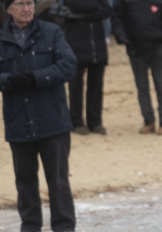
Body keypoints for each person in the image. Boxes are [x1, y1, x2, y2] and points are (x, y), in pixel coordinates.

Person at [0, 0, 77, 232]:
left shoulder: (52, 32)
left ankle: (64, 230)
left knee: (58, 180)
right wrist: (8, 81)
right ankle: (30, 229)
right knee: (24, 180)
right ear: (9, 9)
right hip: (19, 121)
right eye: (20, 4)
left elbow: (68, 65)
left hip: (52, 119)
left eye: (30, 3)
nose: (26, 9)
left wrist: (36, 78)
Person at [111, 0, 162, 135]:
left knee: (160, 83)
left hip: (157, 46)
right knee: (142, 86)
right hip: (135, 47)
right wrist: (122, 37)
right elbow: (117, 17)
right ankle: (148, 120)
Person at [61, 0, 111, 135]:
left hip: (97, 47)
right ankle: (76, 122)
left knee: (96, 87)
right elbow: (75, 6)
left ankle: (95, 122)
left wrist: (83, 16)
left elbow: (107, 10)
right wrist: (95, 6)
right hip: (76, 47)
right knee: (75, 87)